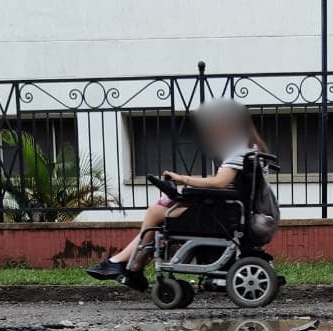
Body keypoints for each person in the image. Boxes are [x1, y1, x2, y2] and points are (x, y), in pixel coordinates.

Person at [85, 99, 266, 290]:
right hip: (230, 210)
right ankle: (127, 264)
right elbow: (225, 183)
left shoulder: (238, 152)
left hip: (224, 214)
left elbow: (219, 182)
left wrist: (183, 180)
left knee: (156, 213)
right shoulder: (251, 149)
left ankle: (126, 264)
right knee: (161, 211)